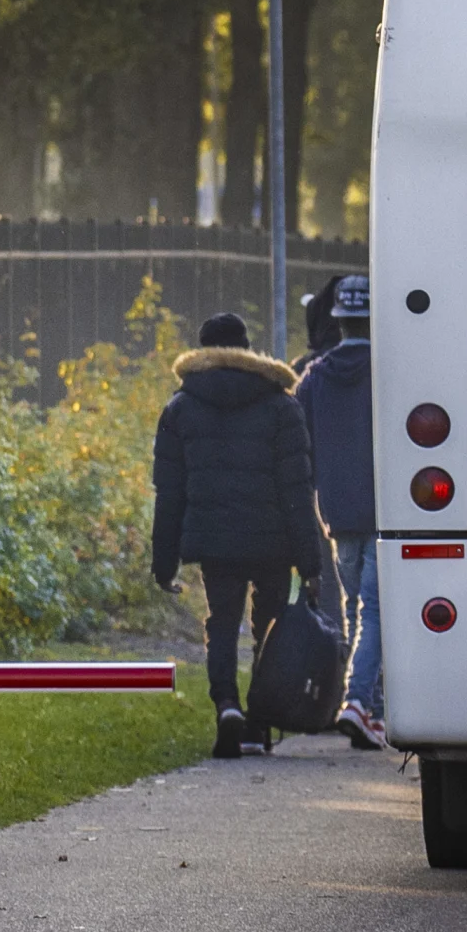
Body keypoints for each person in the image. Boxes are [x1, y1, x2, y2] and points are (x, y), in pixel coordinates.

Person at [151, 310, 328, 759]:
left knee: (222, 623)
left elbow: (169, 493)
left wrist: (163, 562)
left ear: (202, 350)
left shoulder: (180, 407)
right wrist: (311, 565)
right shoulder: (280, 406)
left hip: (215, 540)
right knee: (268, 628)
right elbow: (296, 491)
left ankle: (226, 706)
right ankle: (259, 720)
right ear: (247, 350)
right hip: (273, 541)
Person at [292, 274, 385, 748]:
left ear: (337, 319)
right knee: (376, 612)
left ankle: (374, 713)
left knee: (356, 607)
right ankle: (358, 701)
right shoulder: (391, 372)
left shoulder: (314, 378)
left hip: (337, 513)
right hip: (386, 511)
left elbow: (298, 448)